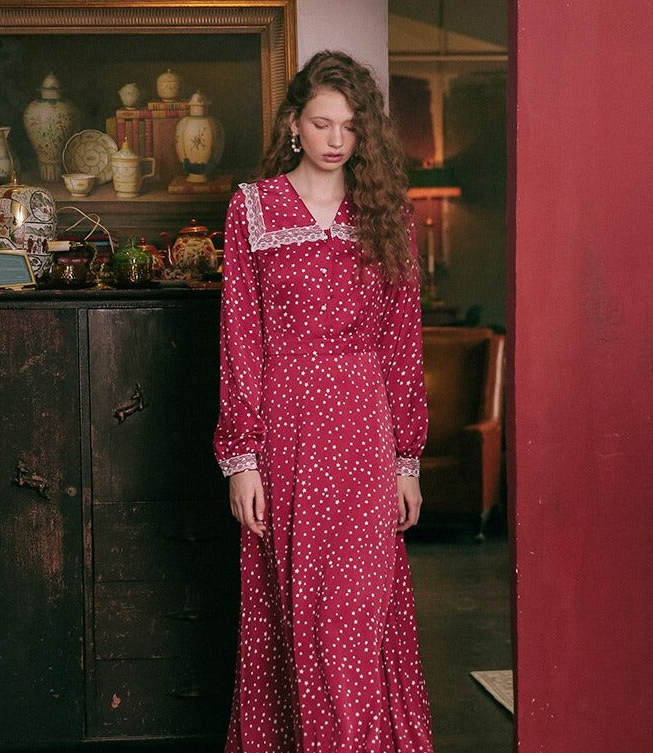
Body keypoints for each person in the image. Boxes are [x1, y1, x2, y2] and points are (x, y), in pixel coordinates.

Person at [213, 49, 434, 753]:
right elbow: (241, 339)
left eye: (350, 126)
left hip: (365, 431)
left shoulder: (387, 213)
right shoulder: (251, 207)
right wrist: (241, 459)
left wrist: (406, 461)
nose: (336, 139)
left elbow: (401, 341)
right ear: (293, 124)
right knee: (296, 612)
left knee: (356, 613)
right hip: (286, 432)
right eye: (321, 123)